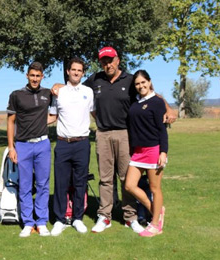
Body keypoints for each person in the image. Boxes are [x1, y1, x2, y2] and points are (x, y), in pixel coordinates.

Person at [51, 47, 176, 234]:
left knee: (126, 177)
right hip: (102, 134)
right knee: (106, 178)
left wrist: (168, 108)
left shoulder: (130, 79)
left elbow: (150, 93)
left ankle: (130, 216)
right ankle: (105, 215)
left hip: (126, 134)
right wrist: (57, 85)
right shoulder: (96, 79)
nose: (107, 64)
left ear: (118, 60)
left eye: (110, 60)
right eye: (104, 61)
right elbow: (74, 85)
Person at [47, 57, 95, 236]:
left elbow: (95, 113)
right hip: (63, 143)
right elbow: (52, 116)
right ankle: (59, 219)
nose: (76, 73)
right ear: (68, 71)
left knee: (79, 182)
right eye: (73, 70)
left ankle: (77, 218)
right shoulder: (59, 92)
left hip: (82, 143)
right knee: (60, 183)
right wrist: (30, 124)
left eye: (79, 70)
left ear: (83, 73)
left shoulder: (88, 92)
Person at [7, 61, 52, 237]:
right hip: (23, 145)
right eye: (32, 75)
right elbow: (10, 121)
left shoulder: (48, 94)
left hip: (43, 144)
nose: (35, 79)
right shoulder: (16, 95)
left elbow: (56, 110)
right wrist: (11, 147)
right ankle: (28, 222)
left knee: (43, 184)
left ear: (42, 77)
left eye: (38, 76)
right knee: (25, 185)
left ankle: (41, 222)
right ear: (27, 76)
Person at [124, 70, 168, 237]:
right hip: (138, 152)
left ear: (149, 82)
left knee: (154, 188)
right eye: (137, 84)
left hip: (153, 150)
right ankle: (156, 210)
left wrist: (163, 152)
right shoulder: (135, 104)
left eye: (143, 82)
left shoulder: (157, 102)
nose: (141, 86)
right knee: (129, 185)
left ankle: (155, 224)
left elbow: (162, 130)